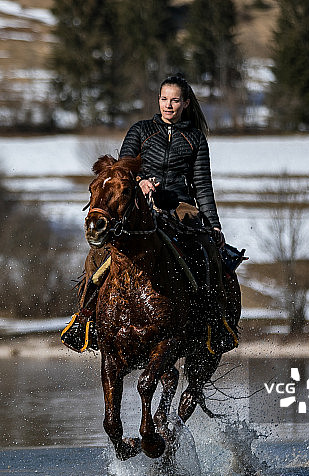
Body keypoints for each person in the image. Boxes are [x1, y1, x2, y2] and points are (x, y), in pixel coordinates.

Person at [61, 74, 236, 353]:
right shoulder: (140, 130)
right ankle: (85, 319)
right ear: (158, 100)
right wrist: (139, 180)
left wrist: (213, 225)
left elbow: (202, 184)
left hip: (181, 207)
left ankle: (212, 323)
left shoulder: (195, 139)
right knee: (99, 253)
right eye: (164, 99)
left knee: (206, 252)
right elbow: (122, 170)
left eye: (175, 100)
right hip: (138, 205)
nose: (169, 105)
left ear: (186, 103)